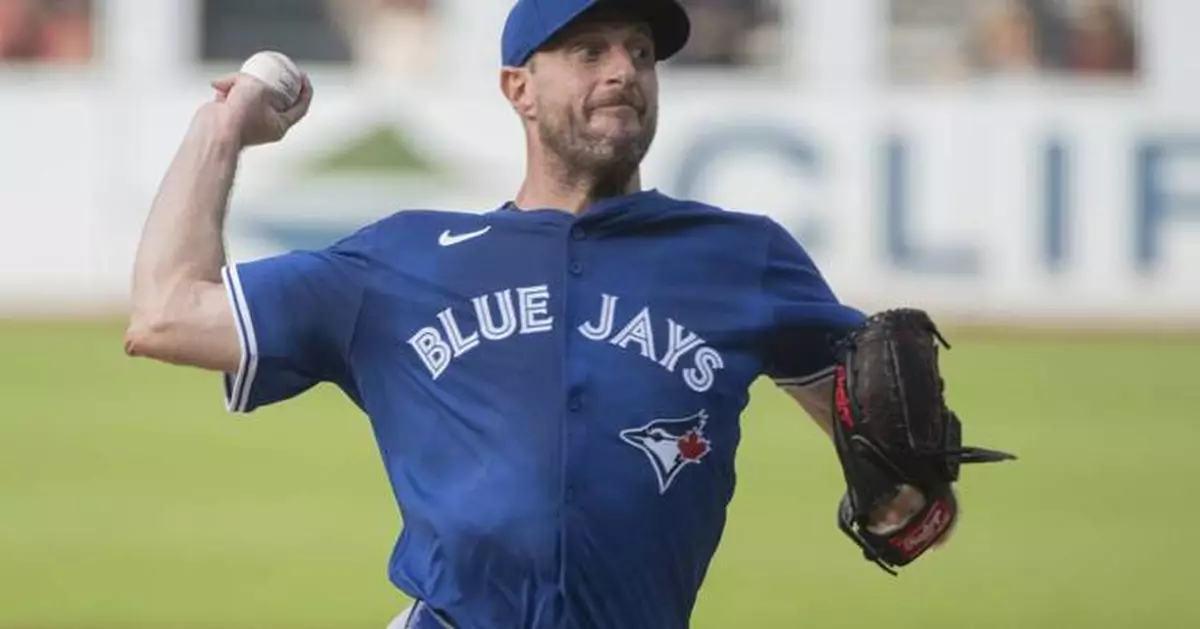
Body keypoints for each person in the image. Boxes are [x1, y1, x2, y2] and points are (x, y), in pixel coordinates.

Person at [123, 1, 947, 627]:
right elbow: (165, 313)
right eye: (588, 50)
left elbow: (884, 442)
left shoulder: (740, 255)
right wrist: (220, 130)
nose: (623, 69)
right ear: (518, 87)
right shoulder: (402, 261)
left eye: (640, 52)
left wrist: (908, 495)